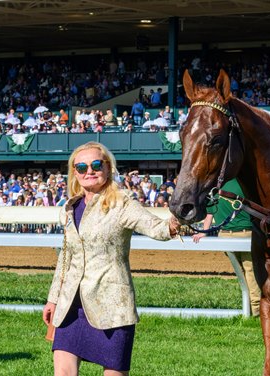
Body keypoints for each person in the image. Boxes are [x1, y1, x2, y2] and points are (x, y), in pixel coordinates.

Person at [42, 141, 181, 375]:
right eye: (81, 167)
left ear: (108, 168)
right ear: (74, 172)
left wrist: (180, 223)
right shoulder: (69, 207)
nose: (89, 171)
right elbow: (66, 257)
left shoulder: (122, 203)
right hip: (71, 305)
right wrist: (53, 298)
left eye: (96, 164)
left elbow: (157, 228)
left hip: (112, 306)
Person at [192, 179, 261, 317]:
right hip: (246, 234)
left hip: (225, 237)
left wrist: (203, 232)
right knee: (251, 272)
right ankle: (256, 310)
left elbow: (210, 214)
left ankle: (248, 308)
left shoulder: (215, 188)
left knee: (240, 273)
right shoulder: (245, 183)